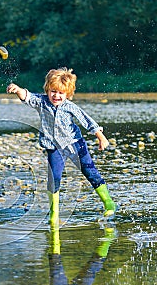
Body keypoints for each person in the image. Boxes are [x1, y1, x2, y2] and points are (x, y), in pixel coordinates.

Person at [7, 68, 116, 224]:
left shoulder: (70, 106)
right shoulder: (42, 102)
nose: (56, 96)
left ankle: (109, 203)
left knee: (90, 171)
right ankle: (54, 213)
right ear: (47, 89)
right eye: (53, 91)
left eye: (60, 93)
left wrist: (101, 137)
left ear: (67, 94)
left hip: (75, 144)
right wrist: (17, 89)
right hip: (54, 147)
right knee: (54, 178)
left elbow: (86, 120)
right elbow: (27, 97)